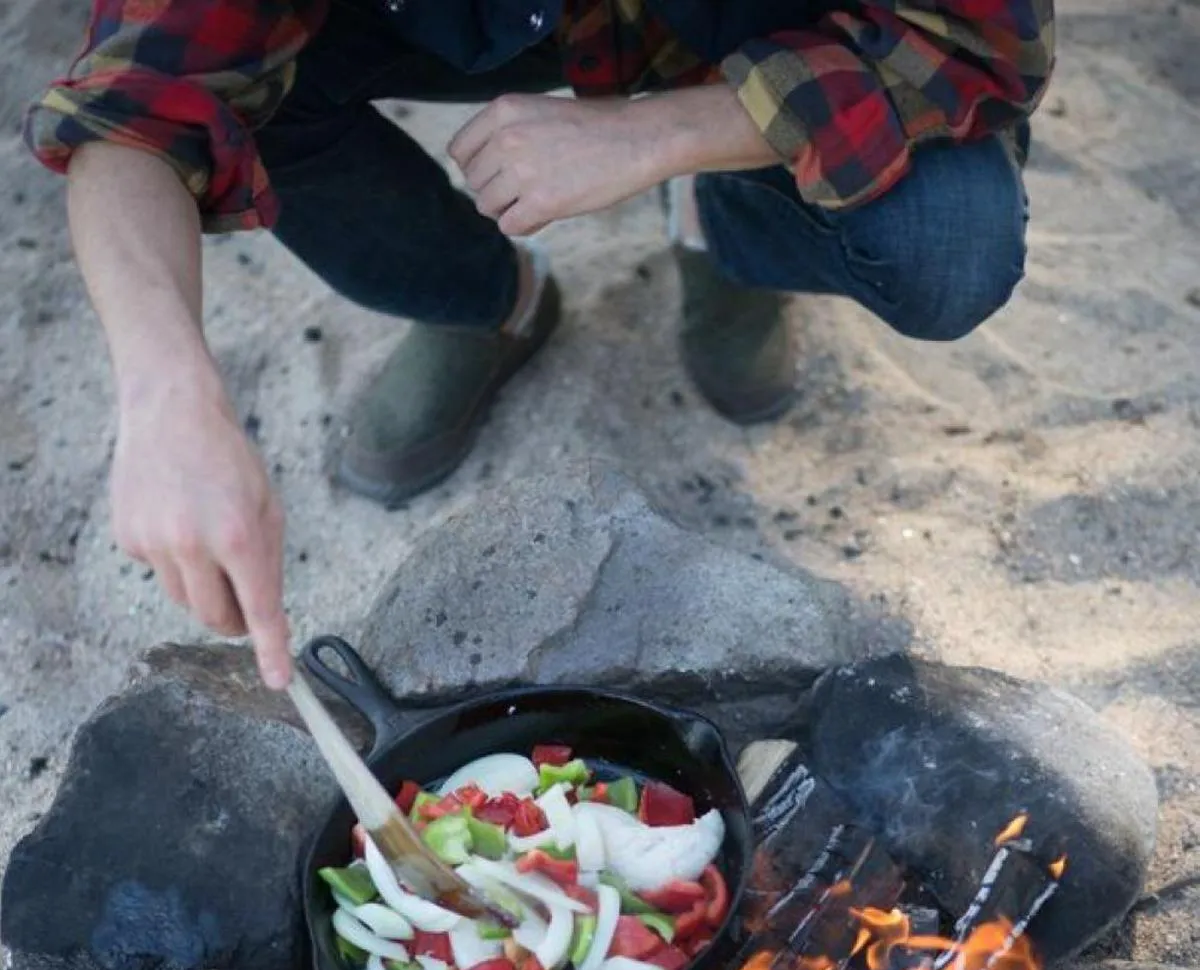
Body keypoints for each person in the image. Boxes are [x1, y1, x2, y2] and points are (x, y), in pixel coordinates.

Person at [26, 0, 1053, 689]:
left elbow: (975, 45)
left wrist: (661, 133)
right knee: (265, 92)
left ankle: (728, 232)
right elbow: (134, 103)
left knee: (948, 242)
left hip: (756, 20)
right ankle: (488, 302)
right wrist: (166, 393)